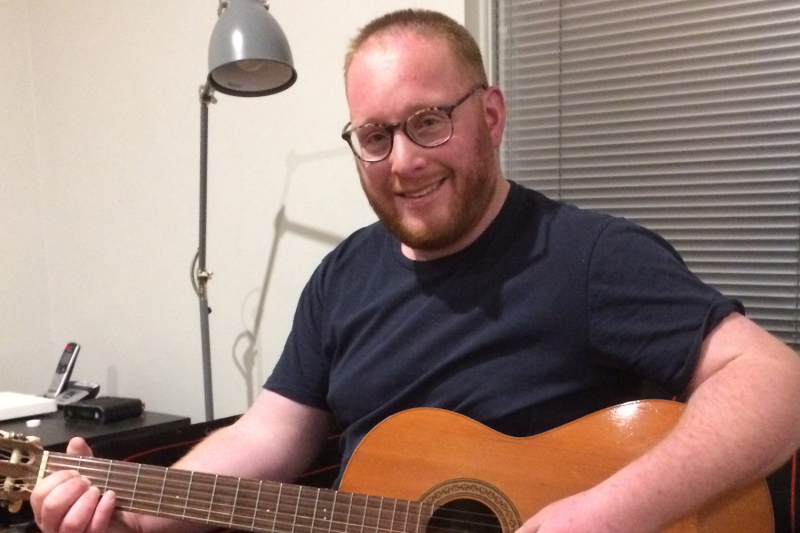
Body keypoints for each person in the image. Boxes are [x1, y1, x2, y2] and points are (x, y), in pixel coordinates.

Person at [31, 9, 800, 533]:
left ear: (491, 117)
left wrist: (607, 510)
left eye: (429, 120)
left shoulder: (589, 256)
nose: (402, 161)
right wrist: (129, 507)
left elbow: (776, 384)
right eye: (374, 134)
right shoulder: (342, 278)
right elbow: (269, 435)